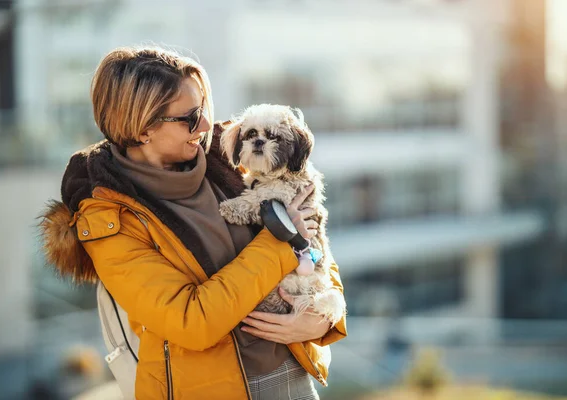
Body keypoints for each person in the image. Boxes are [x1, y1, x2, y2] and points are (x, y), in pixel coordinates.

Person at [39, 46, 347, 400]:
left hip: (291, 378)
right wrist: (279, 240)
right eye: (190, 117)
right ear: (142, 130)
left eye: (204, 110)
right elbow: (192, 322)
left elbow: (315, 246)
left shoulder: (231, 161)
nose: (205, 126)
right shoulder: (110, 221)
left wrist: (324, 318)